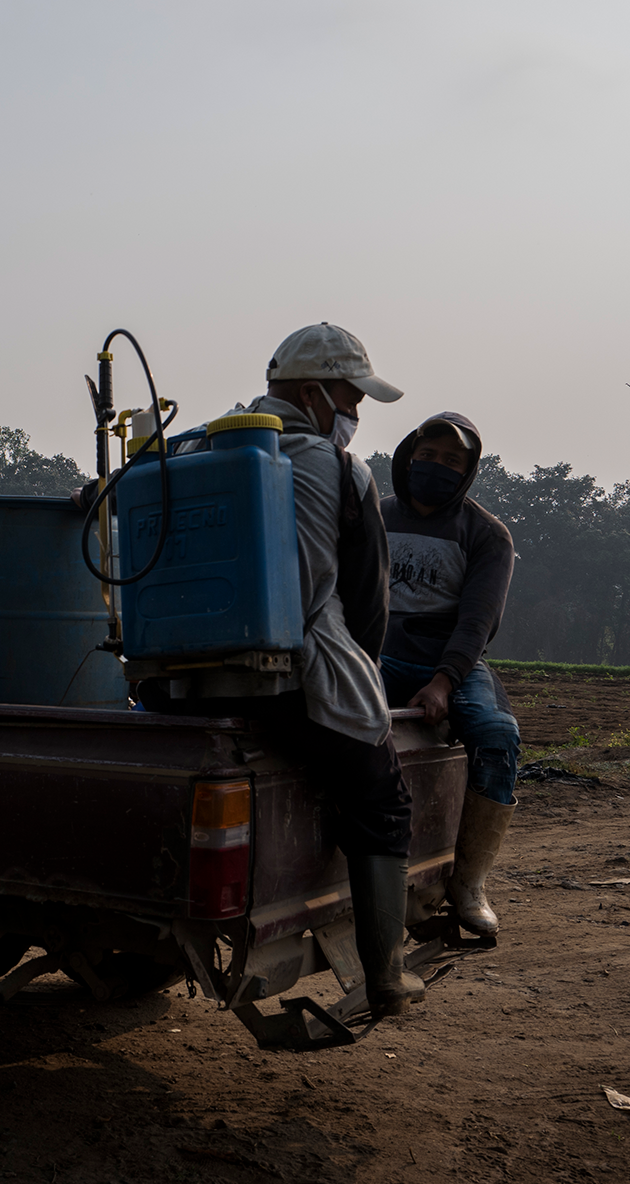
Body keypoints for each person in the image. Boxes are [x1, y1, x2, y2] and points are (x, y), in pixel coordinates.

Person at [221, 322, 424, 1016]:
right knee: (382, 799)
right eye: (350, 398)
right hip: (295, 675)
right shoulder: (329, 465)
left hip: (186, 679)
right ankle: (387, 978)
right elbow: (364, 597)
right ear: (313, 393)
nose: (356, 415)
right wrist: (360, 670)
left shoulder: (206, 447)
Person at [378, 412, 520, 936]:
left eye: (451, 461)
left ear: (467, 471)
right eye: (428, 455)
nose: (436, 466)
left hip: (448, 658)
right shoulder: (371, 516)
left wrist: (443, 681)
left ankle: (468, 884)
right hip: (376, 651)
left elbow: (478, 622)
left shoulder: (487, 535)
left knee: (497, 735)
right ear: (410, 457)